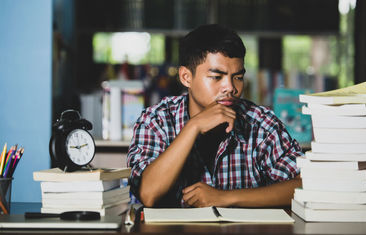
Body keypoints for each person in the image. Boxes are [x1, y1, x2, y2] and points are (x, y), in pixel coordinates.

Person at [127, 24, 303, 208]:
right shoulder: (157, 120)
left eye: (238, 77)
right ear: (186, 77)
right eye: (217, 77)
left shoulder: (261, 123)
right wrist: (193, 127)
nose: (230, 88)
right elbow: (148, 194)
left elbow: (305, 185)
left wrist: (225, 198)